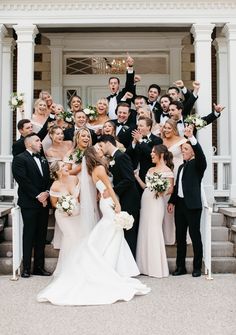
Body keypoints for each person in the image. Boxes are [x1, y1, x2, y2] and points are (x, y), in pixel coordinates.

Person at [37, 147, 150, 306]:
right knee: (112, 232)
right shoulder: (100, 168)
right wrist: (117, 204)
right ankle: (107, 264)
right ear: (93, 155)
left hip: (105, 201)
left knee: (113, 233)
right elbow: (109, 188)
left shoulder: (93, 170)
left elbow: (101, 187)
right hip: (110, 201)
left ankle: (116, 266)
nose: (100, 150)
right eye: (97, 150)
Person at [167, 125, 207, 277]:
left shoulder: (198, 165)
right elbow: (177, 187)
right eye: (182, 149)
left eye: (185, 149)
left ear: (193, 152)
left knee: (195, 236)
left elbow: (200, 154)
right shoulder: (181, 167)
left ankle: (197, 268)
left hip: (193, 206)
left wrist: (191, 138)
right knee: (180, 238)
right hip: (181, 206)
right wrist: (172, 201)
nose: (182, 151)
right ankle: (180, 267)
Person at [12, 133, 51, 278]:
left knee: (41, 236)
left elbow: (48, 178)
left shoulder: (42, 158)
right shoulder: (20, 159)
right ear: (29, 144)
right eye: (37, 140)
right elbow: (23, 180)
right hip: (29, 203)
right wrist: (38, 196)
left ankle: (39, 268)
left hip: (44, 203)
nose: (40, 142)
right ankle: (26, 268)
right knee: (29, 235)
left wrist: (47, 192)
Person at [97, 135, 141, 257]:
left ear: (108, 143)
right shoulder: (113, 158)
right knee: (124, 230)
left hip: (130, 198)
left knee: (129, 230)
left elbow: (129, 179)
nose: (100, 148)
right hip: (122, 197)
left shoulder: (122, 156)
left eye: (101, 145)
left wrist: (111, 190)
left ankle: (131, 262)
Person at [135, 144, 174, 278]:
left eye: (153, 152)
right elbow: (146, 186)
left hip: (157, 203)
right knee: (144, 229)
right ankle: (144, 266)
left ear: (161, 155)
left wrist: (160, 189)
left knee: (154, 230)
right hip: (146, 200)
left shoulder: (168, 170)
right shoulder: (150, 169)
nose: (151, 154)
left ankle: (156, 268)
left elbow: (170, 189)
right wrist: (137, 177)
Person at [128, 117, 163, 188]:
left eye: (141, 126)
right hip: (134, 175)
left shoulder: (157, 140)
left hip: (148, 174)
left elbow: (152, 155)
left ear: (148, 127)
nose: (138, 128)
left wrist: (140, 140)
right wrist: (134, 142)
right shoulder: (136, 138)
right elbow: (127, 155)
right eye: (138, 125)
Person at [107, 55, 135, 119]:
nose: (113, 85)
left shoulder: (124, 93)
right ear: (109, 85)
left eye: (115, 83)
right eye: (111, 83)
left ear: (118, 85)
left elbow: (129, 83)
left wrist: (130, 67)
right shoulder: (107, 99)